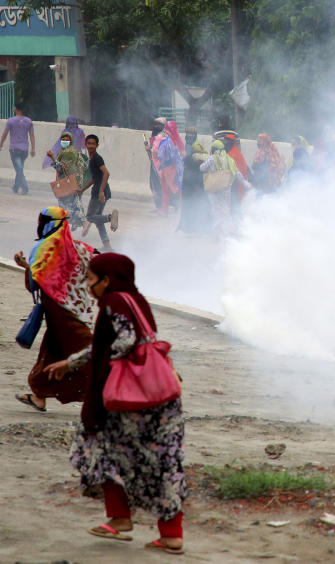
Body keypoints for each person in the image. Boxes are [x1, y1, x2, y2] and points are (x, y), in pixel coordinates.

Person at [45, 253, 187, 555]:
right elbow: (141, 339)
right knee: (163, 463)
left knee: (101, 447)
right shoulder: (137, 300)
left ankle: (120, 518)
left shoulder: (113, 303)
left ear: (107, 279)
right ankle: (171, 535)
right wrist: (72, 363)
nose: (87, 285)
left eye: (90, 278)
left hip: (130, 400)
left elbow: (125, 341)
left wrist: (103, 368)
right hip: (159, 395)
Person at [11, 207, 96, 412]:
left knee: (88, 352)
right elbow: (96, 264)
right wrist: (26, 266)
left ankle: (113, 392)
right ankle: (40, 394)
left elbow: (37, 282)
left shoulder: (45, 248)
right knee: (53, 351)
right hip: (74, 311)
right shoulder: (78, 247)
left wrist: (27, 267)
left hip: (64, 314)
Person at [79, 135, 119, 250]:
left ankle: (110, 217)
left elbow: (106, 173)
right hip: (101, 189)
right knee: (98, 220)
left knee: (90, 217)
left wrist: (101, 191)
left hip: (99, 191)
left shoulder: (97, 158)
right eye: (89, 143)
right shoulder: (92, 159)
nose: (91, 146)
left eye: (93, 144)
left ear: (97, 145)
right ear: (85, 145)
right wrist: (82, 189)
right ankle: (107, 245)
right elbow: (94, 178)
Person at [47, 132, 88, 228]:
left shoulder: (67, 153)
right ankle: (77, 223)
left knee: (67, 206)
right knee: (74, 204)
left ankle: (77, 223)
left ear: (70, 141)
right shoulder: (71, 151)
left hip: (67, 183)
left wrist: (52, 157)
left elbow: (61, 169)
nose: (64, 142)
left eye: (66, 140)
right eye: (63, 140)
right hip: (74, 182)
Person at [200, 140, 238, 236]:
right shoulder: (228, 158)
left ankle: (219, 232)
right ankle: (230, 230)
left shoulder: (212, 158)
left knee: (216, 209)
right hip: (226, 187)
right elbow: (236, 172)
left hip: (215, 187)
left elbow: (202, 168)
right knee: (226, 209)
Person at [177, 128, 211, 234]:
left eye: (192, 134)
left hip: (195, 180)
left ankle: (195, 227)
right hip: (187, 180)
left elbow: (202, 160)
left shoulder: (196, 146)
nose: (189, 136)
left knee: (194, 203)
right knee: (187, 203)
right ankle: (185, 226)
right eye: (188, 134)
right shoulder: (187, 145)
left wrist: (187, 159)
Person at [1, 102, 36, 194]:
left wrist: (1, 143)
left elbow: (5, 134)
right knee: (19, 168)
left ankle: (25, 188)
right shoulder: (28, 121)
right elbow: (32, 135)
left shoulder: (11, 121)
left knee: (19, 169)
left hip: (14, 149)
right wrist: (33, 148)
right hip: (24, 150)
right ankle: (16, 187)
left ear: (16, 109)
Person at [144, 118, 166, 211]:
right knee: (153, 185)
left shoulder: (164, 136)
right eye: (155, 124)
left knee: (159, 185)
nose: (155, 127)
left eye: (158, 125)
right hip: (154, 164)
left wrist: (150, 148)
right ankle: (158, 205)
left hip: (160, 166)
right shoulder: (154, 135)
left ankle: (162, 206)